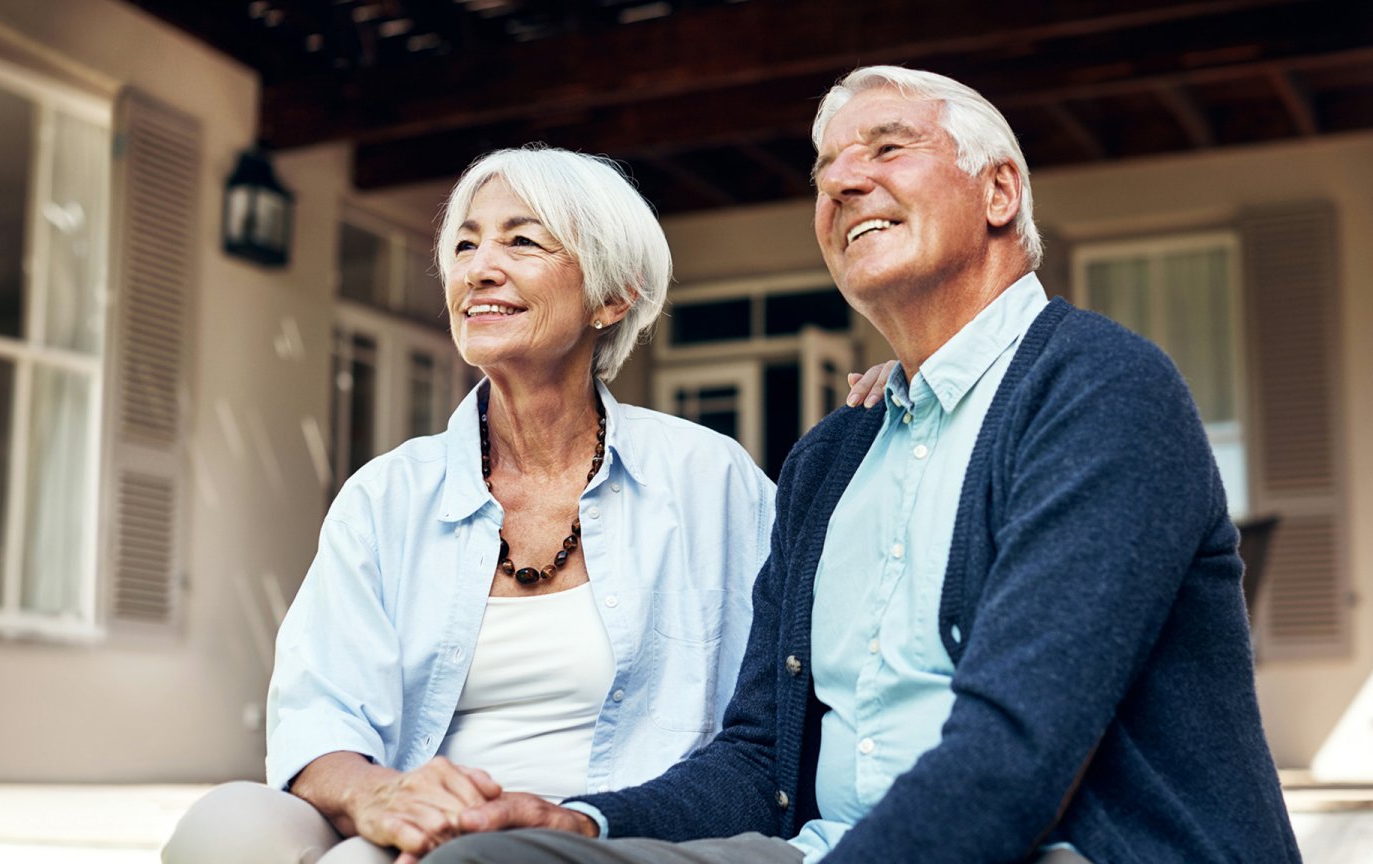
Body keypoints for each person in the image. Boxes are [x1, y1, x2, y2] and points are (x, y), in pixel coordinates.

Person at [423, 67, 1302, 864]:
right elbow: (760, 757)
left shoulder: (1100, 391)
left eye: (888, 148)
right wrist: (580, 822)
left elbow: (1016, 754)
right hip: (822, 848)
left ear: (999, 191)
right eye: (826, 170)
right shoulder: (834, 456)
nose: (843, 181)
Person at [163, 146, 895, 864]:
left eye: (522, 241)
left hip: (607, 834)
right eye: (466, 244)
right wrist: (381, 798)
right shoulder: (387, 496)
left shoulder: (708, 480)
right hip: (420, 825)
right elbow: (319, 712)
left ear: (613, 296)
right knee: (228, 826)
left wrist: (909, 407)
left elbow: (823, 636)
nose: (480, 268)